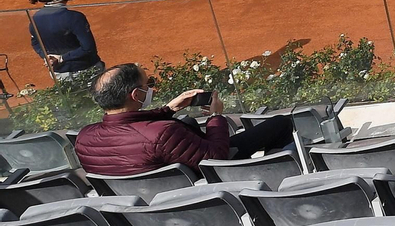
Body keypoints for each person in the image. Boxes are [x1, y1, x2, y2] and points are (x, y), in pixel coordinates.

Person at [73, 63, 295, 176]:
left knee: (187, 123)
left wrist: (168, 109)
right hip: (207, 182)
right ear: (136, 95)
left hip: (144, 202)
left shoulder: (84, 138)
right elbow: (216, 159)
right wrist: (216, 117)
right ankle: (280, 175)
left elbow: (128, 124)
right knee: (280, 123)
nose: (150, 88)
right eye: (146, 85)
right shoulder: (163, 133)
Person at [28, 0, 101, 81]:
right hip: (87, 71)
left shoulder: (35, 19)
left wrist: (47, 57)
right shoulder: (74, 17)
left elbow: (35, 42)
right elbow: (88, 49)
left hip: (60, 75)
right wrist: (62, 58)